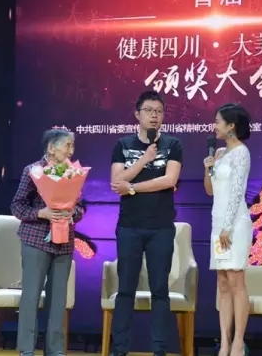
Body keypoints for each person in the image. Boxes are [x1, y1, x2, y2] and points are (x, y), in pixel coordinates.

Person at [109, 90, 183, 356]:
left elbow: (169, 180)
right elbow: (116, 182)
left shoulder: (173, 144)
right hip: (129, 226)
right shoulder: (122, 144)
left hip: (160, 227)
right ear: (137, 114)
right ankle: (119, 348)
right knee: (125, 289)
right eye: (149, 111)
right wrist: (144, 159)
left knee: (160, 290)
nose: (154, 116)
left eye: (159, 111)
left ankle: (159, 349)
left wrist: (132, 188)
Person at [11, 127, 85, 356]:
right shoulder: (33, 171)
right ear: (51, 148)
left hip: (64, 243)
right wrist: (41, 213)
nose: (71, 151)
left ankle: (55, 351)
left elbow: (81, 208)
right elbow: (17, 206)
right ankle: (26, 350)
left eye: (73, 146)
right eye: (67, 145)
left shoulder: (74, 173)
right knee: (31, 296)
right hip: (36, 240)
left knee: (58, 301)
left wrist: (72, 213)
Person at [203, 103, 253, 356]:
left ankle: (238, 343)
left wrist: (228, 227)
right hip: (217, 223)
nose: (214, 126)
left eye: (218, 121)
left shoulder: (241, 153)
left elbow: (236, 192)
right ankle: (224, 342)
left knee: (236, 280)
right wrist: (207, 169)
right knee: (222, 282)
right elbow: (210, 191)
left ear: (231, 125)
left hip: (235, 224)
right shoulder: (220, 153)